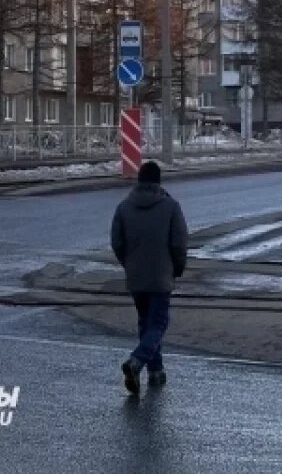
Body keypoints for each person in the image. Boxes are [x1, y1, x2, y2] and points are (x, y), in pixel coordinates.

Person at [110, 160, 188, 395]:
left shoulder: (123, 207)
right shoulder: (171, 207)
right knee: (158, 323)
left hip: (136, 276)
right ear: (158, 181)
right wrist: (177, 268)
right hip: (161, 276)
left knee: (146, 322)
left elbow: (117, 242)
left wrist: (129, 264)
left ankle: (156, 371)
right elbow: (179, 243)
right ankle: (136, 362)